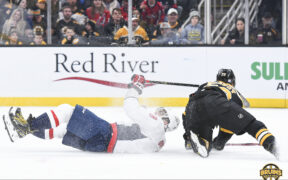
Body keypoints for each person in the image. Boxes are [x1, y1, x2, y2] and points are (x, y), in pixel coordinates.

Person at [3, 75, 180, 153]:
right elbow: (139, 121)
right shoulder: (157, 139)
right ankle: (24, 130)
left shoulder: (157, 126)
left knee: (67, 110)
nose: (158, 112)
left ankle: (27, 127)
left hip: (105, 134)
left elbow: (130, 107)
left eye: (163, 114)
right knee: (62, 132)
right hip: (99, 147)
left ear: (166, 122)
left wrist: (136, 87)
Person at [182, 69, 278, 158]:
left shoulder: (206, 84)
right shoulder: (233, 91)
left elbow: (185, 115)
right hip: (215, 101)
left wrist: (187, 132)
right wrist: (220, 142)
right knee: (253, 125)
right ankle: (274, 146)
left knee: (205, 144)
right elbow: (229, 123)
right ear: (232, 81)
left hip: (192, 105)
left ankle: (194, 140)